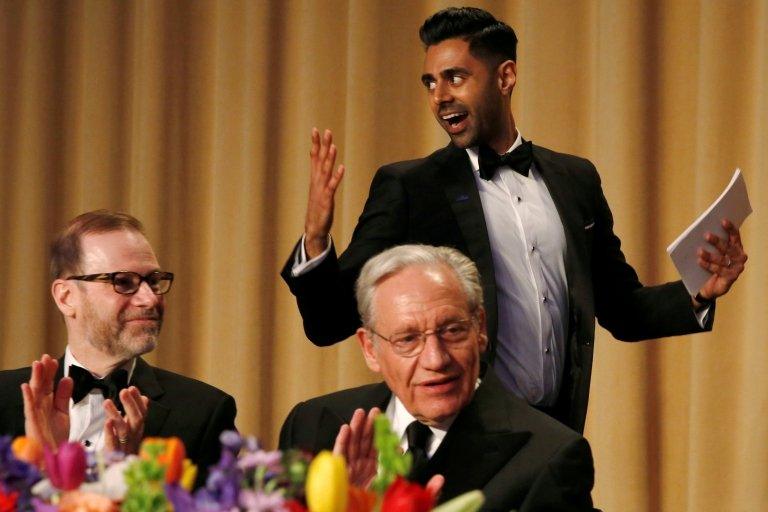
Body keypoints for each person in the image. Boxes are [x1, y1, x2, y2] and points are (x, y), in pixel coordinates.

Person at [281, 7, 748, 433]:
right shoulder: (410, 187)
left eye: (456, 77)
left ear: (505, 76)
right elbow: (330, 322)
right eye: (430, 82)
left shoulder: (575, 179)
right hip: (463, 438)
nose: (440, 97)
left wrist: (698, 292)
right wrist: (316, 240)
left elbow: (620, 308)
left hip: (557, 435)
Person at [280, 245, 597, 511]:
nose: (436, 359)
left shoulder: (549, 457)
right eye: (407, 339)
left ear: (480, 329)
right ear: (370, 349)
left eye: (453, 330)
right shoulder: (312, 425)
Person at [0, 210, 236, 484]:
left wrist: (130, 485)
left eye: (153, 281)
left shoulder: (203, 413)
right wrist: (43, 472)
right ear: (66, 297)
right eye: (123, 282)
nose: (149, 299)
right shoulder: (3, 400)